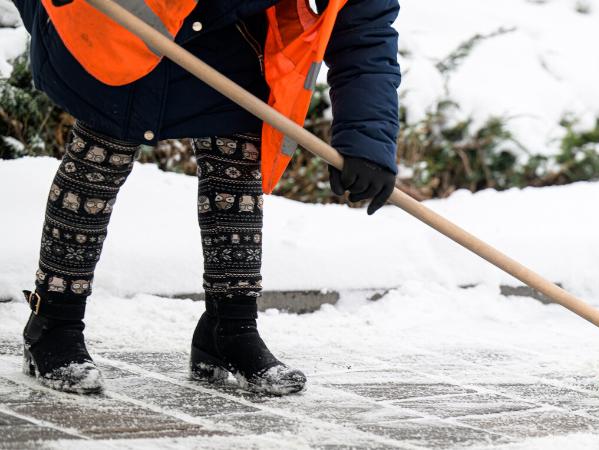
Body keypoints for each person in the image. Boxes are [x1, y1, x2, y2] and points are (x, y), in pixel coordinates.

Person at [11, 0, 401, 395]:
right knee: (102, 150)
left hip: (228, 30)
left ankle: (230, 331)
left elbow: (363, 26)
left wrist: (367, 140)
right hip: (121, 20)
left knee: (237, 155)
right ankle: (53, 323)